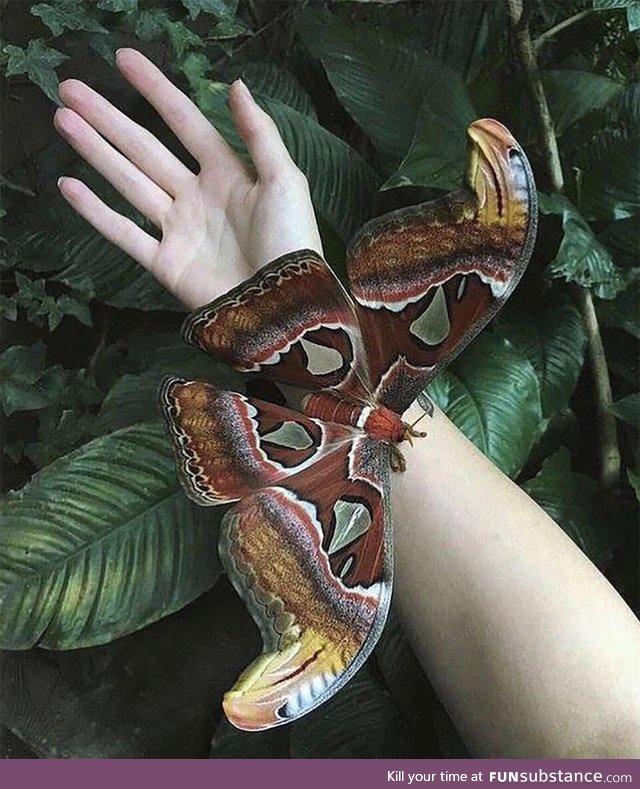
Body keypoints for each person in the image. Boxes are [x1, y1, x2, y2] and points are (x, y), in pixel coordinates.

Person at [54, 48, 640, 758]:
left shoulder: (394, 411)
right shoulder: (394, 417)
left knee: (351, 589)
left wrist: (292, 318)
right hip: (329, 396)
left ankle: (251, 420)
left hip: (325, 390)